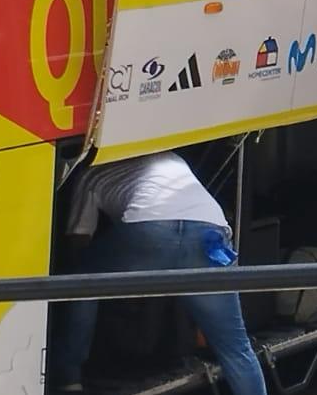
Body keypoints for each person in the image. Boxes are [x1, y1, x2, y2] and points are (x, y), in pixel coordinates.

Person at [52, 152, 267, 395]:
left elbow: (78, 240)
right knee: (235, 347)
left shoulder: (89, 173)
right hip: (209, 231)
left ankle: (68, 378)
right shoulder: (171, 156)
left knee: (81, 279)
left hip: (149, 228)